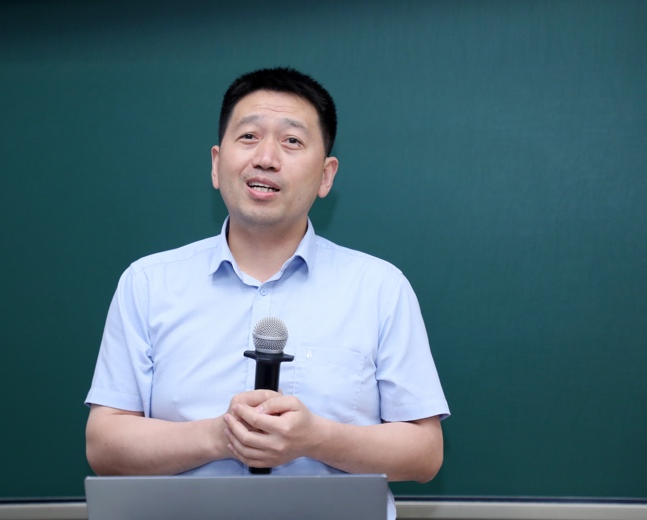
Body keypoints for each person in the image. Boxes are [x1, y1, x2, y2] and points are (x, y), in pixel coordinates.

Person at [85, 67, 449, 519]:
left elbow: (424, 453)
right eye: (249, 137)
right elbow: (104, 444)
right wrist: (220, 436)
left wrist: (316, 438)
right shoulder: (147, 283)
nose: (266, 158)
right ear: (216, 164)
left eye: (292, 141)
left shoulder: (380, 287)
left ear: (326, 175)